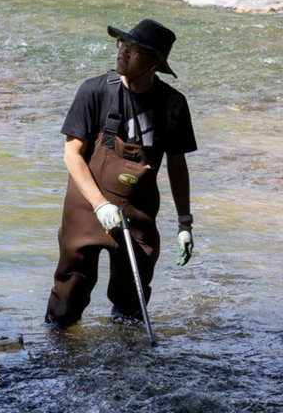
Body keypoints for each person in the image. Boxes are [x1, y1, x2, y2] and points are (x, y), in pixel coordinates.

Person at [45, 19, 195, 328]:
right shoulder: (95, 90)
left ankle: (126, 360)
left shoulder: (173, 105)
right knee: (70, 291)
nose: (123, 53)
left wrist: (184, 223)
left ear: (155, 62)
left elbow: (177, 165)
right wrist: (100, 204)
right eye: (122, 45)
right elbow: (72, 155)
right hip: (86, 205)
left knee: (133, 301)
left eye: (134, 49)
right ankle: (58, 351)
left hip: (139, 209)